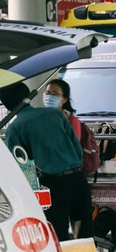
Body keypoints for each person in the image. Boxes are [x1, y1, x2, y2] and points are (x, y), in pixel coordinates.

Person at [0, 83, 89, 242]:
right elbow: (77, 148)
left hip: (51, 185)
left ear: (6, 105)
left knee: (58, 232)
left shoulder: (15, 128)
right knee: (84, 228)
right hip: (77, 178)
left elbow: (19, 165)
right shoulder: (54, 114)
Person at [43, 79, 94, 239]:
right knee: (57, 227)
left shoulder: (71, 121)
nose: (50, 96)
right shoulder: (42, 118)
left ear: (64, 99)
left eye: (54, 94)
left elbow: (69, 146)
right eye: (47, 93)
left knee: (79, 228)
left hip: (71, 178)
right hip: (51, 178)